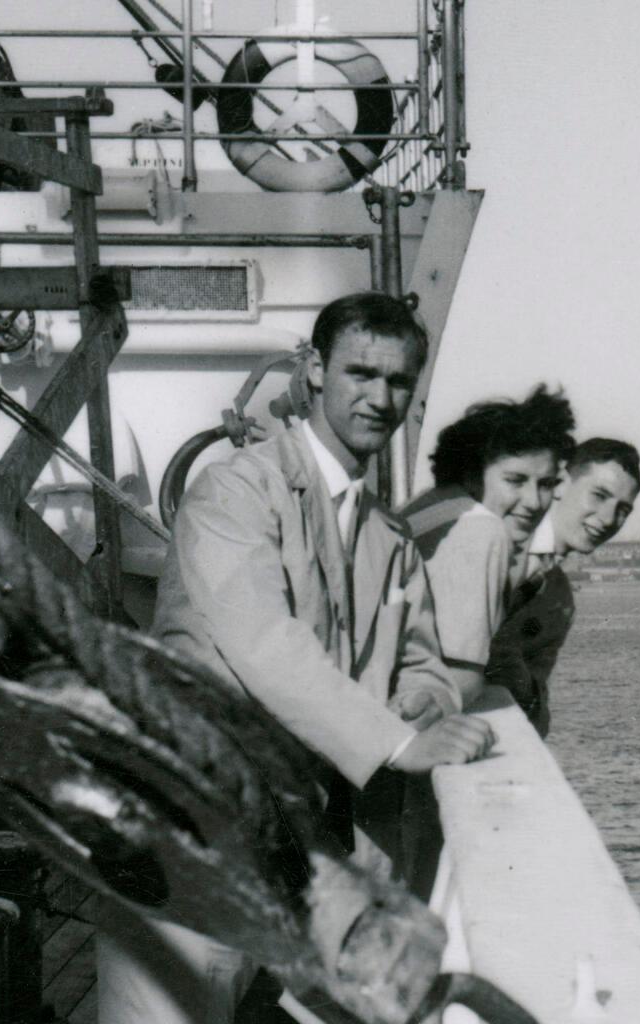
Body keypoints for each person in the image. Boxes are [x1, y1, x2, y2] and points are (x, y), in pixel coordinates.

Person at [120, 292, 493, 1023]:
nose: (379, 398)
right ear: (316, 370)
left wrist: (424, 702)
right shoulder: (233, 490)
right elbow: (264, 643)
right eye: (361, 373)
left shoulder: (387, 535)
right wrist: (398, 742)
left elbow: (425, 665)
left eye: (398, 382)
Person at [398, 386, 576, 710]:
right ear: (473, 472)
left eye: (546, 484)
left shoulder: (427, 508)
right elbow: (459, 683)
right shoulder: (482, 529)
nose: (534, 502)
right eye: (515, 480)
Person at [489, 438, 640, 735]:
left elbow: (536, 709)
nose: (609, 519)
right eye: (599, 495)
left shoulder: (559, 601)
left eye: (623, 509)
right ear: (559, 485)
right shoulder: (494, 541)